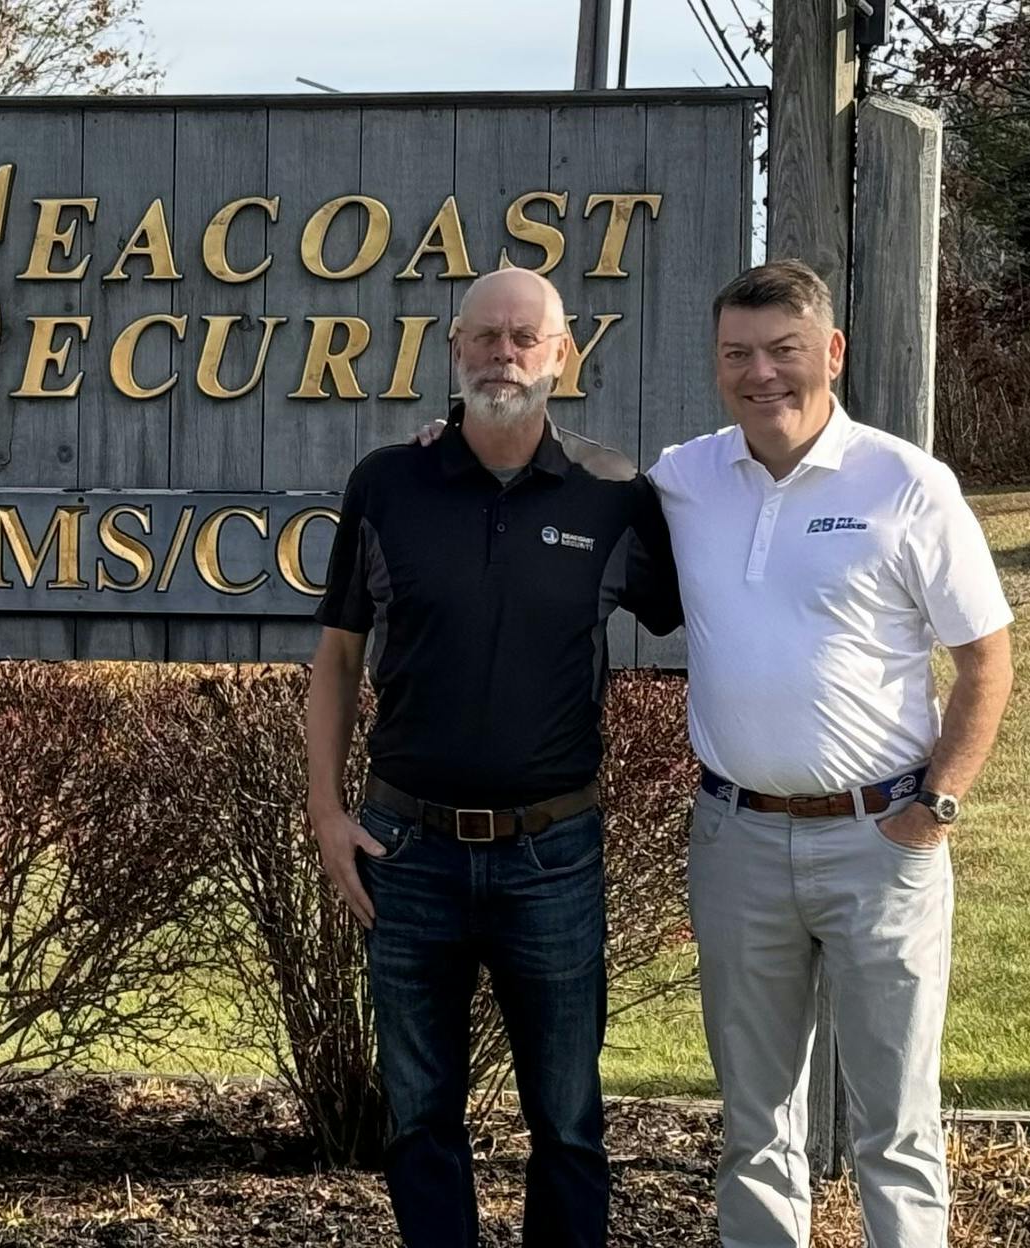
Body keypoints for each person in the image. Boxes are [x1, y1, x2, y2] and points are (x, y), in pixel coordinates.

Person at [306, 266, 681, 1248]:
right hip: (403, 848)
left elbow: (712, 601)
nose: (503, 354)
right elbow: (337, 658)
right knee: (419, 1117)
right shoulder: (386, 483)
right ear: (452, 349)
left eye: (525, 337)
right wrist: (324, 813)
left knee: (565, 1122)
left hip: (550, 855)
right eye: (483, 336)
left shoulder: (614, 497)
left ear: (562, 355)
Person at [648, 259, 1015, 1247]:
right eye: (737, 355)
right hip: (735, 840)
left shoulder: (905, 484)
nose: (759, 374)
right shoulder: (685, 478)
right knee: (753, 1124)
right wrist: (461, 437)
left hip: (881, 841)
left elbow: (984, 660)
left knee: (892, 1124)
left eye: (782, 351)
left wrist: (934, 806)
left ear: (830, 353)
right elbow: (570, 471)